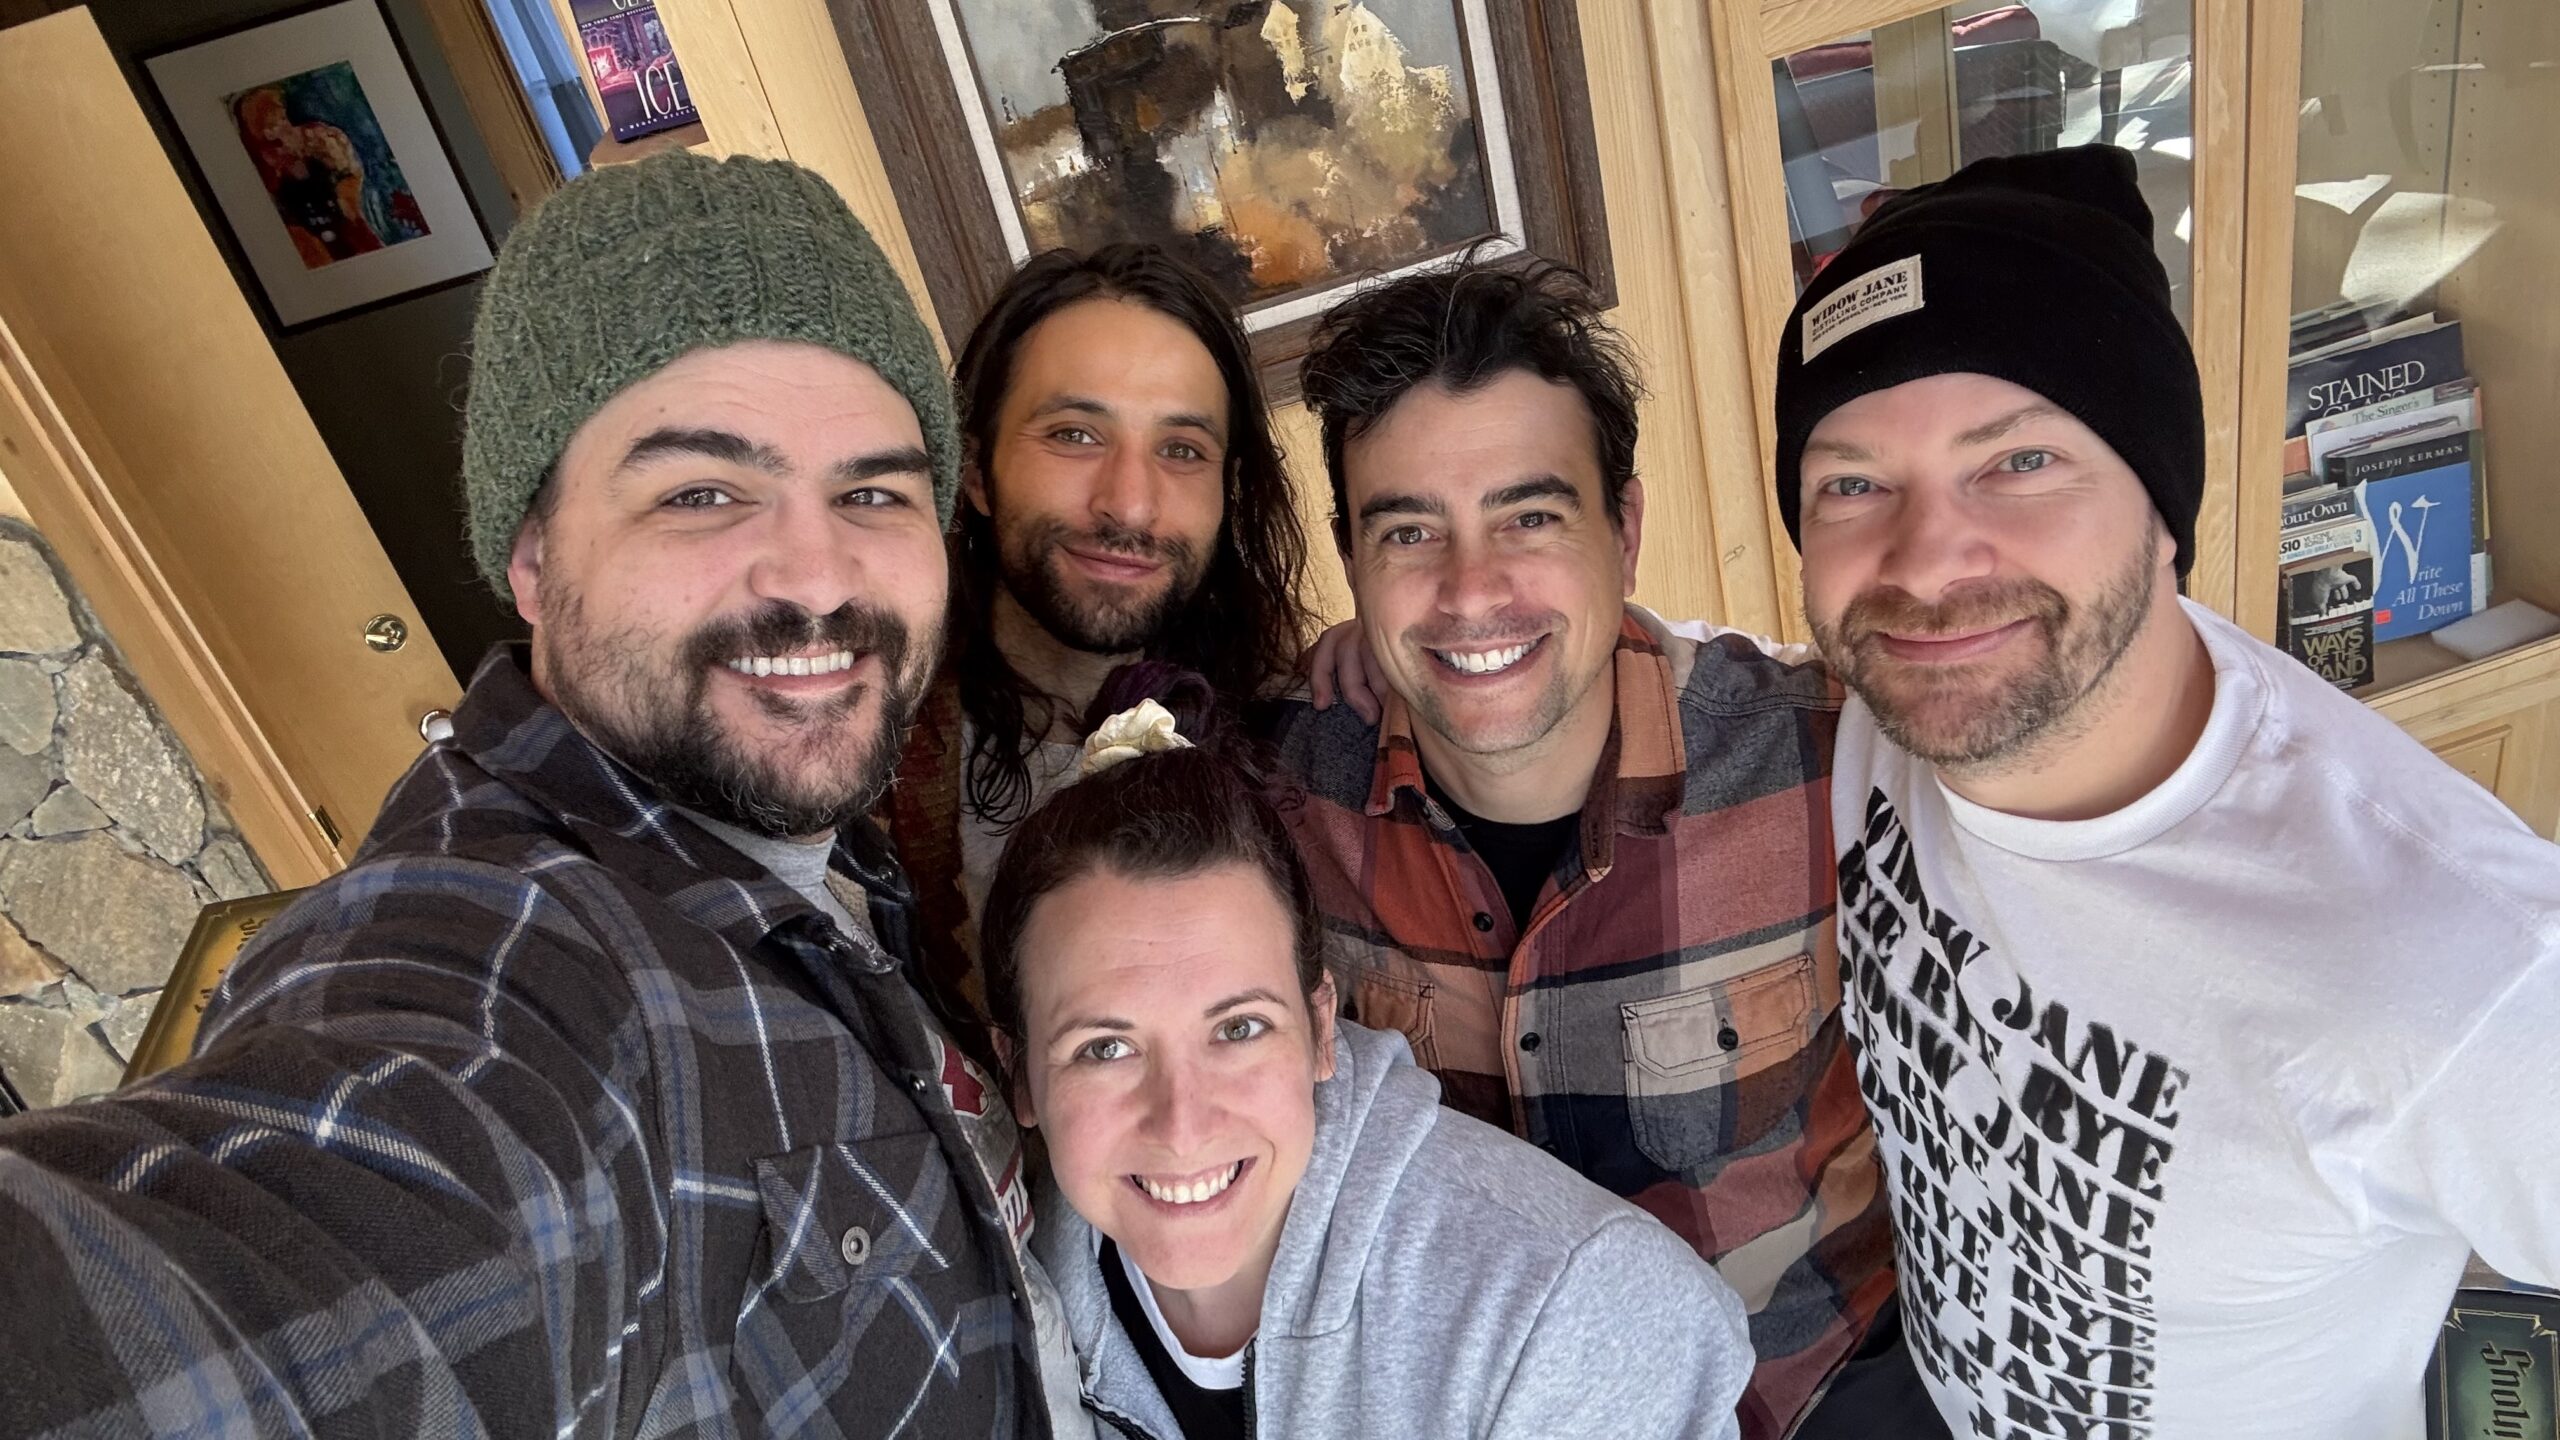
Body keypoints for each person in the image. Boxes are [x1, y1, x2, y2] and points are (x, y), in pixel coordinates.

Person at [0, 151, 1051, 1436]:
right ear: (534, 560)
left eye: (873, 491)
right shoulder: (509, 965)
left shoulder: (808, 843)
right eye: (702, 492)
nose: (818, 575)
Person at [1772, 145, 2560, 1438]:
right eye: (1852, 482)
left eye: (2018, 461)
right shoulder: (1883, 715)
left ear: (2163, 498)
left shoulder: (2461, 968)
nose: (1924, 560)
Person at [1273, 256, 1913, 1440]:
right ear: (1352, 557)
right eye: (1410, 531)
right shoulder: (1276, 810)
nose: (1471, 592)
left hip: (1807, 1393)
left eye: (1529, 515)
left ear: (1623, 527)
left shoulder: (1824, 761)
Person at [990, 668, 1754, 1438]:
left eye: (1238, 1029)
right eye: (1107, 1047)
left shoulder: (1575, 1321)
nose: (1181, 1124)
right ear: (1018, 1074)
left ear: (1321, 1028)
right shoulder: (1000, 1291)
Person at [885, 244, 1313, 1055]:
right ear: (976, 470)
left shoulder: (1295, 729)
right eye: (1076, 434)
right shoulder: (870, 764)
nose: (1131, 502)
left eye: (1181, 448)